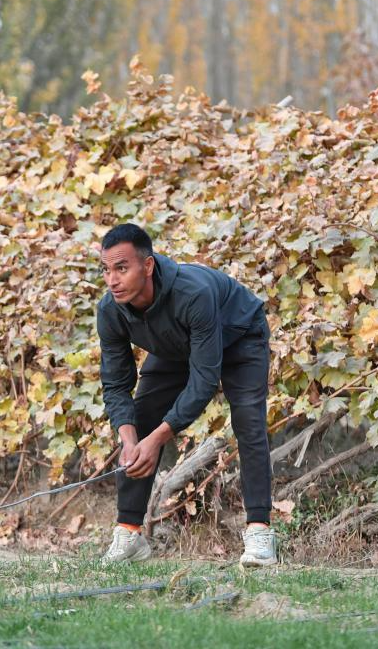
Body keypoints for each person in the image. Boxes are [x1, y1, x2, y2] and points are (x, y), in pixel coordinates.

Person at [95, 222, 277, 567]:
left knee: (248, 423)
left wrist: (158, 439)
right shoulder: (109, 311)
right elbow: (116, 384)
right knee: (140, 420)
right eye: (106, 270)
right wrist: (130, 439)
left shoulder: (193, 294)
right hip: (176, 344)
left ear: (147, 266)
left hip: (239, 335)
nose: (112, 280)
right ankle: (129, 534)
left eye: (121, 268)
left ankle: (259, 532)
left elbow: (204, 381)